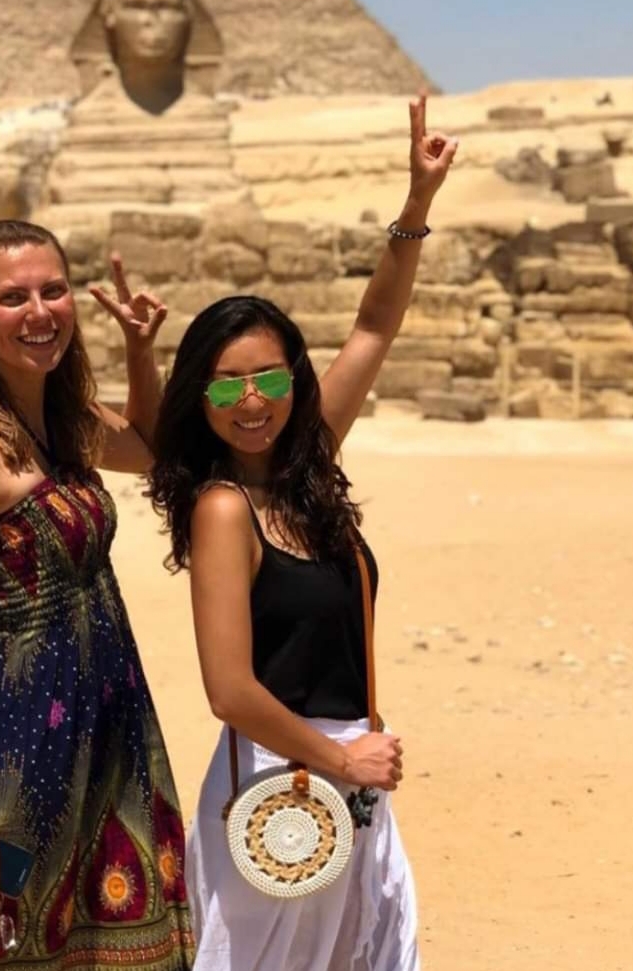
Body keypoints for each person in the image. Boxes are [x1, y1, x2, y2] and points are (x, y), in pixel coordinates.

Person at [147, 97, 457, 970]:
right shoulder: (222, 509)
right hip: (280, 784)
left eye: (270, 380)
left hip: (355, 770)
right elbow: (229, 689)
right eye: (225, 387)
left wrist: (417, 203)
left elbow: (374, 325)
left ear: (295, 380)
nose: (251, 402)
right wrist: (341, 758)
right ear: (199, 398)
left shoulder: (308, 468)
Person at [0, 219, 194, 971]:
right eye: (11, 297)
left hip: (109, 721)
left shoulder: (67, 419)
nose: (39, 312)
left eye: (53, 291)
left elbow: (151, 450)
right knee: (4, 941)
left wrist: (140, 352)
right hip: (21, 742)